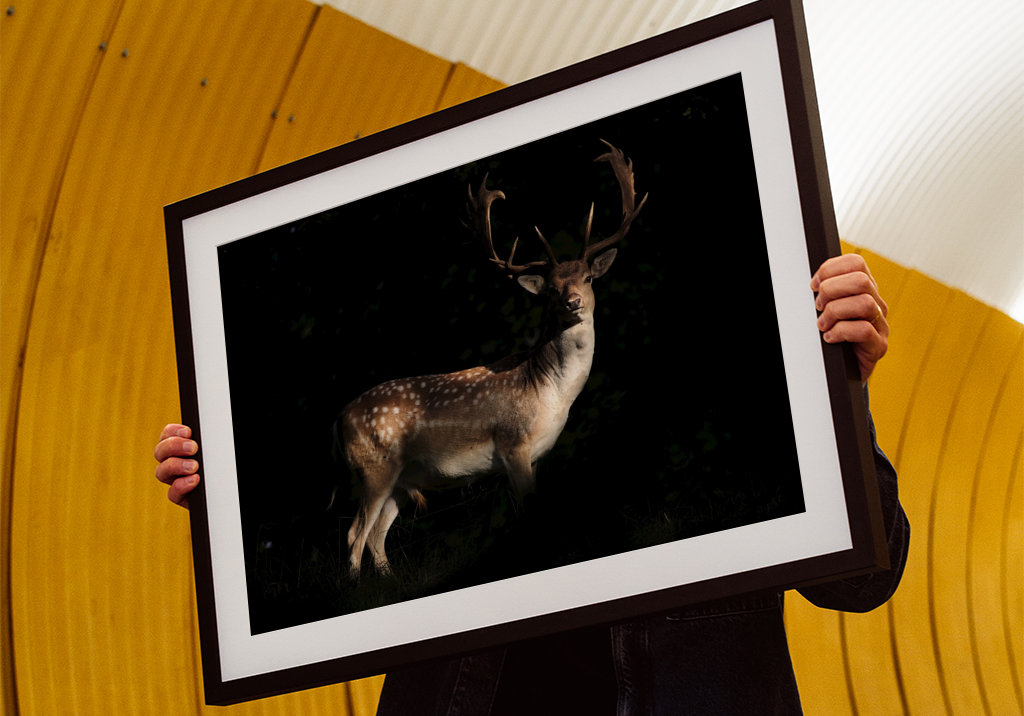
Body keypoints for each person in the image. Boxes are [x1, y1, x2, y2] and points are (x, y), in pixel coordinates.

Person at [155, 254, 909, 715]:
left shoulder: (738, 385)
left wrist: (838, 391)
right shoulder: (505, 394)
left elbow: (863, 579)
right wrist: (235, 489)